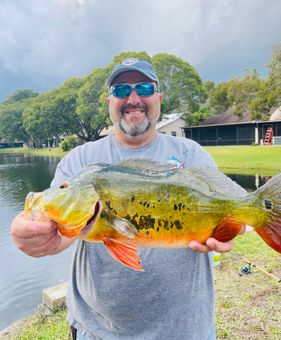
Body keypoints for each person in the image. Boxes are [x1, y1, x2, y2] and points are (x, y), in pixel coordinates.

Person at [11, 58, 242, 340]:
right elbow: (62, 235)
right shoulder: (80, 161)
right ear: (110, 102)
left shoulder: (191, 155)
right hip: (97, 332)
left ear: (159, 98)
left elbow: (233, 213)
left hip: (186, 330)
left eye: (144, 88)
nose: (133, 98)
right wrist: (38, 238)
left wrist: (235, 227)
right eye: (121, 91)